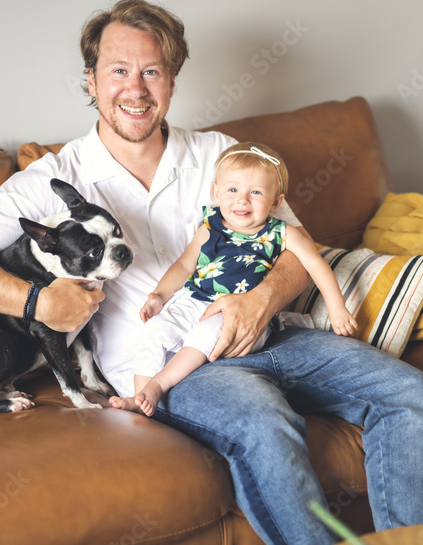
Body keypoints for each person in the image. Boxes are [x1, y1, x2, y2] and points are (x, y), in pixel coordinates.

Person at [0, 0, 423, 545]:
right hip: (164, 363)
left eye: (152, 71)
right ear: (90, 80)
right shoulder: (54, 177)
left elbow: (296, 251)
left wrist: (261, 300)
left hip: (268, 335)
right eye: (118, 70)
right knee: (264, 421)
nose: (135, 89)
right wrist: (36, 301)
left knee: (408, 392)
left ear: (172, 81)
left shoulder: (220, 155)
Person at [109, 141, 359, 416]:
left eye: (256, 192)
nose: (242, 199)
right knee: (154, 330)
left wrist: (337, 308)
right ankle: (140, 398)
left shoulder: (283, 232)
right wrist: (159, 296)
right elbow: (184, 266)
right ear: (216, 192)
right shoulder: (210, 225)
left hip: (240, 314)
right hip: (196, 299)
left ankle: (158, 386)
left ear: (277, 201)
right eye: (232, 189)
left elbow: (315, 264)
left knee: (205, 338)